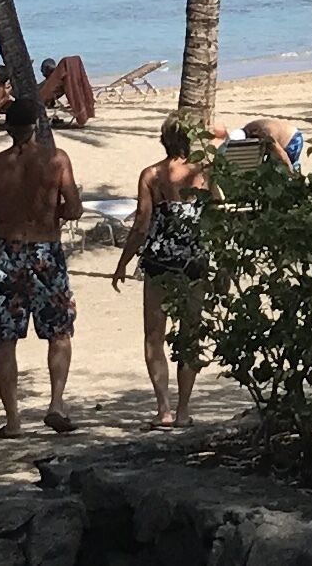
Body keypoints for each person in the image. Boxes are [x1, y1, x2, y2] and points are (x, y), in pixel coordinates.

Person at [0, 97, 83, 436]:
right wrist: (53, 211)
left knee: (5, 338)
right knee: (59, 331)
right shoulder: (56, 160)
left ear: (7, 127)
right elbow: (74, 208)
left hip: (7, 253)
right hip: (46, 250)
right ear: (35, 125)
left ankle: (14, 420)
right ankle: (56, 403)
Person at [111, 116, 211, 428]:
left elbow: (142, 223)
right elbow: (217, 213)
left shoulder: (152, 175)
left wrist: (123, 261)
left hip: (161, 261)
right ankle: (183, 410)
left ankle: (164, 409)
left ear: (163, 140)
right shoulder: (204, 173)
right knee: (189, 334)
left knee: (154, 335)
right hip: (194, 260)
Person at [231, 116, 306, 170]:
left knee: (285, 169)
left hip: (291, 139)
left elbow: (282, 154)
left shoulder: (265, 134)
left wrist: (291, 170)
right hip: (278, 137)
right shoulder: (248, 128)